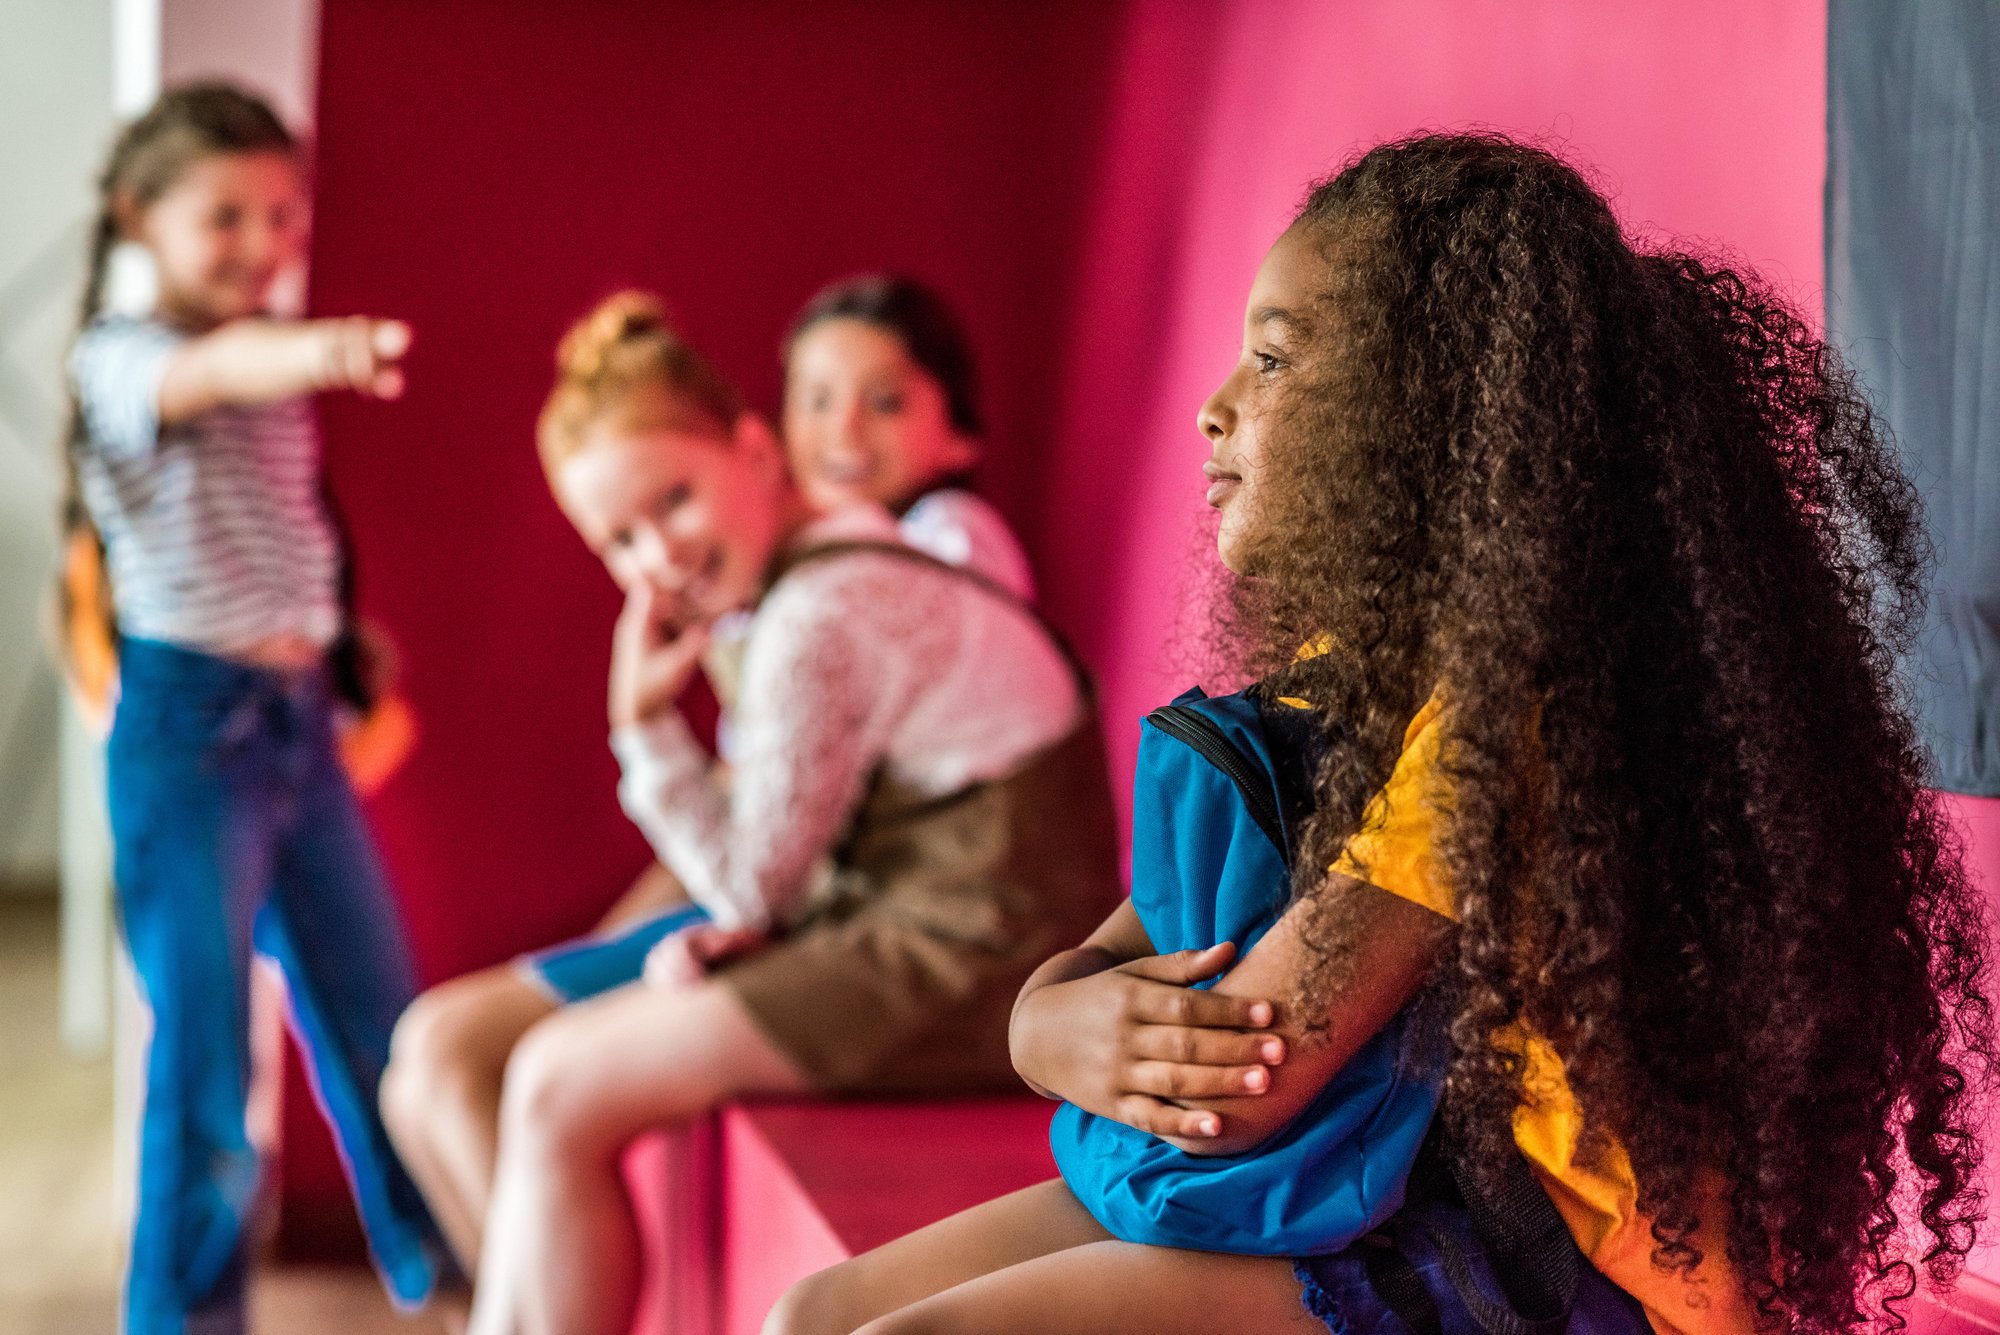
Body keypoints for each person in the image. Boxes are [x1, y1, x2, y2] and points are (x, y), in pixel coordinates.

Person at [765, 133, 1993, 1335]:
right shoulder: (1347, 684)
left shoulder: (1508, 723)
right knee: (814, 1312)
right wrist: (1047, 1023)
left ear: (1432, 421)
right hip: (1414, 1187)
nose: (1213, 407)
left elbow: (1245, 1080)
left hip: (1570, 1282)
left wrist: (1070, 1044)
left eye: (1274, 360)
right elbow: (1119, 958)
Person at [405, 292, 1118, 1335]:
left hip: (982, 950)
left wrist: (643, 727)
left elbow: (750, 881)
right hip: (920, 921)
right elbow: (774, 875)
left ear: (752, 445)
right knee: (547, 1071)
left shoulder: (819, 609)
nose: (658, 557)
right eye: (619, 542)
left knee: (561, 1085)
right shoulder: (829, 562)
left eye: (674, 499)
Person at [63, 82, 443, 1334]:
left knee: (381, 1023)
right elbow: (213, 371)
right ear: (139, 217)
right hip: (190, 743)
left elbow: (276, 531)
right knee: (207, 1071)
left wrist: (331, 638)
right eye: (224, 215)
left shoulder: (264, 359)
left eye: (283, 214)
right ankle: (184, 1317)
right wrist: (327, 347)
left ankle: (437, 1274)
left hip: (297, 733)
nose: (262, 243)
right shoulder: (122, 357)